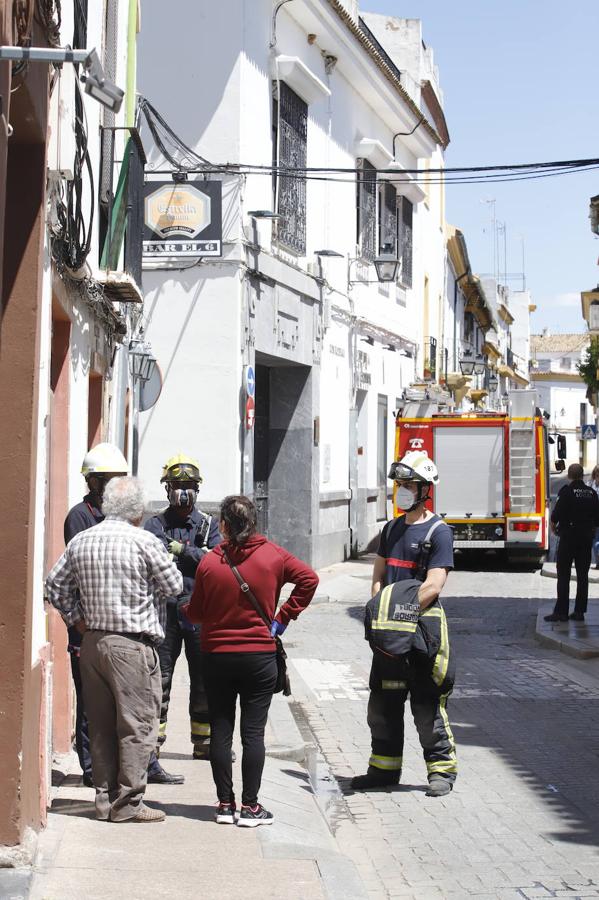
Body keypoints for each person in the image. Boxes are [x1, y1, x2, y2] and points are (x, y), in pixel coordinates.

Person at [45, 477, 183, 823]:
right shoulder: (145, 541)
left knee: (101, 724)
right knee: (137, 726)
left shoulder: (82, 540)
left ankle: (105, 800)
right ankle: (128, 804)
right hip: (132, 645)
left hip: (92, 642)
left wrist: (77, 619)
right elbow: (174, 585)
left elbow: (54, 585)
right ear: (137, 510)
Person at [184, 495, 318, 826]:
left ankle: (225, 805)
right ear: (254, 522)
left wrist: (183, 609)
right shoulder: (273, 555)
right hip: (259, 657)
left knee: (221, 730)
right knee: (253, 734)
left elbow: (197, 613)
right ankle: (251, 807)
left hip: (216, 657)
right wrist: (283, 616)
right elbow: (309, 579)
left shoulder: (210, 562)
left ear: (224, 526)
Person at [351, 450, 457, 798]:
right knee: (383, 704)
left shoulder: (439, 532)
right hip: (390, 637)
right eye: (399, 484)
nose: (402, 490)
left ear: (425, 489)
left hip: (422, 634)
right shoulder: (392, 528)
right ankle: (383, 770)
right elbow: (378, 576)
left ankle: (441, 771)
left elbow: (434, 584)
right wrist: (380, 611)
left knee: (427, 705)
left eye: (409, 485)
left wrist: (403, 615)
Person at [144, 454, 222, 760]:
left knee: (203, 679)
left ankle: (203, 743)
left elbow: (215, 561)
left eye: (188, 485)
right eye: (177, 485)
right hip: (164, 613)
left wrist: (184, 551)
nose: (183, 491)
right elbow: (152, 560)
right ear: (167, 489)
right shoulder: (154, 524)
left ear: (198, 489)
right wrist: (195, 554)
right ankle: (153, 745)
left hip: (199, 613)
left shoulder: (208, 525)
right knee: (159, 678)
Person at [545, 463, 599, 623]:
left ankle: (561, 612)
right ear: (582, 475)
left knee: (563, 575)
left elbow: (556, 516)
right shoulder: (592, 493)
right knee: (583, 576)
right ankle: (579, 612)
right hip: (585, 539)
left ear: (569, 475)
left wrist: (554, 528)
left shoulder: (566, 491)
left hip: (568, 537)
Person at [588, 465, 599, 569]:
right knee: (595, 541)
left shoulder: (591, 486)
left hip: (594, 519)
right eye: (597, 475)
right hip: (594, 519)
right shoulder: (590, 485)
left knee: (595, 541)